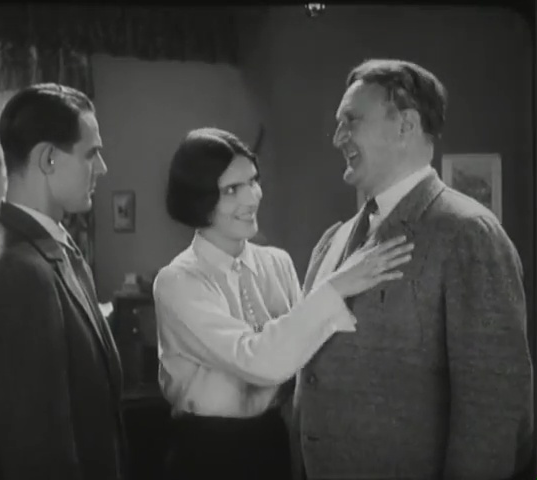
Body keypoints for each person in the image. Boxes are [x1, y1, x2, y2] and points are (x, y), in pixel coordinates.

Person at [294, 58, 534, 480]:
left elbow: (492, 411)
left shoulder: (468, 234)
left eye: (351, 121)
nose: (337, 138)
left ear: (406, 125)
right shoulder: (333, 240)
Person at [152, 127, 414, 480]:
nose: (252, 198)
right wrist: (336, 286)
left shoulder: (277, 263)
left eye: (253, 181)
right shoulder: (178, 282)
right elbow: (258, 360)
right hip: (206, 452)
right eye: (232, 189)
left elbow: (302, 358)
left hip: (273, 440)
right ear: (198, 199)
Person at [0, 83, 127, 480]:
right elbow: (36, 454)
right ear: (48, 158)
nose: (102, 168)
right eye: (91, 153)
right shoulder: (18, 271)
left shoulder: (51, 248)